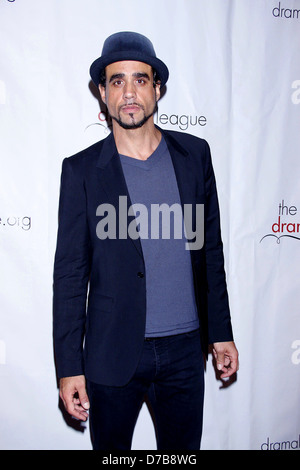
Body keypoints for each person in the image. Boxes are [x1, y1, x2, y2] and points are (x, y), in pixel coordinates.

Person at [53, 31, 239, 450]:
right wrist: (69, 367)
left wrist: (221, 331)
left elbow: (210, 251)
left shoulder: (195, 155)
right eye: (117, 81)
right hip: (112, 351)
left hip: (185, 352)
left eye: (140, 79)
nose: (129, 92)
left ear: (158, 88)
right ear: (102, 93)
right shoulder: (81, 171)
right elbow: (69, 275)